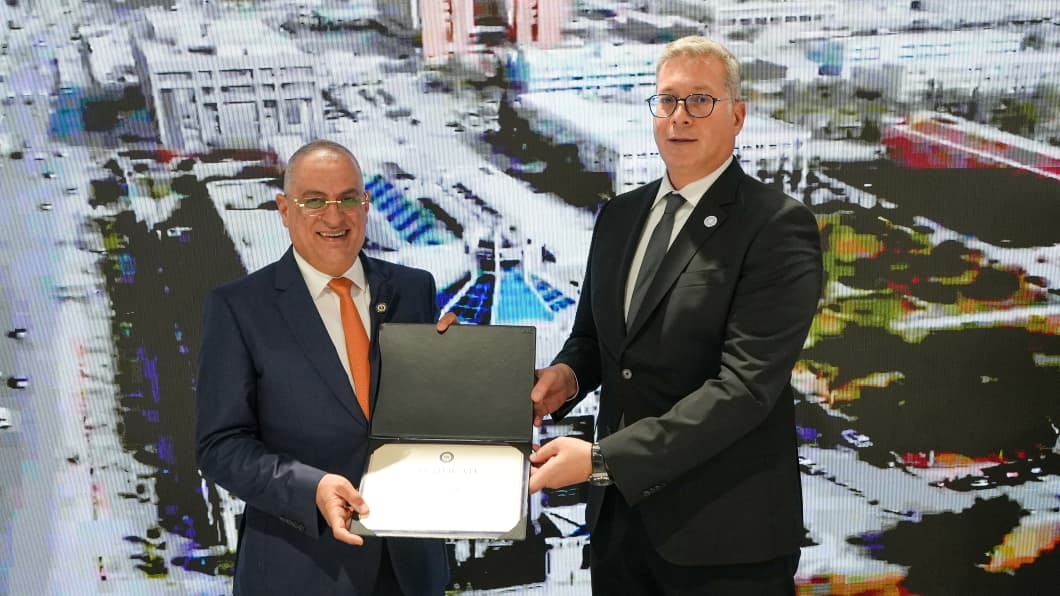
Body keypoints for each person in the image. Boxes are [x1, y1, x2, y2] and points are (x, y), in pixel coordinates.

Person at [527, 36, 823, 595]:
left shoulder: (777, 225)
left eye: (700, 100)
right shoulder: (619, 216)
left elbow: (744, 389)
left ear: (738, 116)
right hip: (620, 533)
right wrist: (566, 377)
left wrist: (603, 460)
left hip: (724, 542)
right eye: (667, 100)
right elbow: (594, 338)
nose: (680, 116)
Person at [196, 140, 449, 595]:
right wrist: (310, 488)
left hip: (409, 571)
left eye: (348, 199)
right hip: (300, 571)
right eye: (314, 201)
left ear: (366, 204)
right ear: (284, 209)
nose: (335, 218)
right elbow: (220, 446)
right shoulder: (238, 308)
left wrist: (460, 368)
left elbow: (425, 413)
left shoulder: (414, 289)